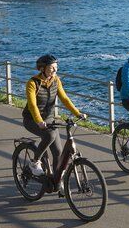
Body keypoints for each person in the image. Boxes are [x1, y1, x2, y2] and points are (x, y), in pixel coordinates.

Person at [22, 54, 86, 191]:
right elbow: (32, 105)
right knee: (49, 136)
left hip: (50, 119)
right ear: (42, 68)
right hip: (32, 120)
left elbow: (65, 99)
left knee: (58, 153)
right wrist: (39, 121)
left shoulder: (56, 80)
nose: (55, 71)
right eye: (52, 68)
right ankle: (35, 163)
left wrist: (78, 113)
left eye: (56, 68)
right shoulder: (32, 83)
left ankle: (57, 180)